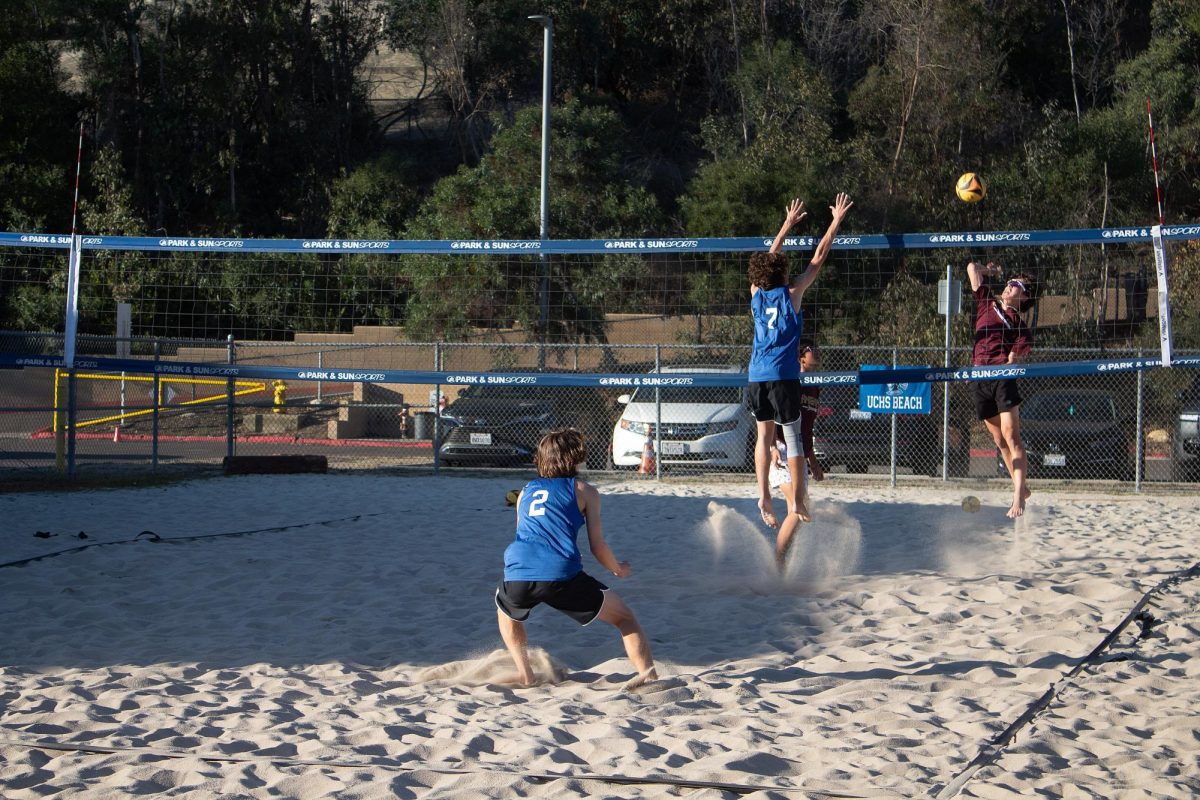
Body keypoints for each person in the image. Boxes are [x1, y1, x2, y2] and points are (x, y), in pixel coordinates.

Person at [495, 428, 656, 687]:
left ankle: (526, 675)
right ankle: (649, 679)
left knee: (507, 614)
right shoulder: (584, 490)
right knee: (625, 618)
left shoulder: (524, 492)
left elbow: (522, 536)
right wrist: (618, 569)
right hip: (560, 574)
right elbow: (598, 546)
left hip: (518, 570)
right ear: (574, 458)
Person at [749, 192, 852, 529]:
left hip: (756, 375)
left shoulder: (755, 294)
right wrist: (835, 221)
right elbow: (819, 256)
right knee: (793, 439)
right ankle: (799, 500)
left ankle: (763, 494)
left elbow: (768, 258)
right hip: (782, 375)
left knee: (764, 438)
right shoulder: (792, 294)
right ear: (782, 273)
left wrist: (786, 225)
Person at [966, 261, 1035, 518]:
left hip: (1001, 379)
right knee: (998, 440)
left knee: (1011, 436)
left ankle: (1018, 496)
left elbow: (1013, 358)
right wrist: (990, 272)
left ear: (1025, 296)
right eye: (1009, 282)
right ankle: (1022, 486)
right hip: (978, 378)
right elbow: (972, 268)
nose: (1009, 286)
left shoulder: (1019, 327)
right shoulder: (987, 302)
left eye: (1016, 285)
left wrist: (1010, 360)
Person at [771, 339, 826, 571]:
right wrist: (772, 446)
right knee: (798, 505)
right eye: (811, 362)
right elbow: (770, 416)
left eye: (817, 366)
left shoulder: (815, 386)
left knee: (796, 513)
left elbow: (807, 428)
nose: (814, 367)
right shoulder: (790, 380)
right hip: (782, 449)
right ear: (801, 358)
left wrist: (813, 461)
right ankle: (777, 563)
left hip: (800, 453)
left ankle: (782, 568)